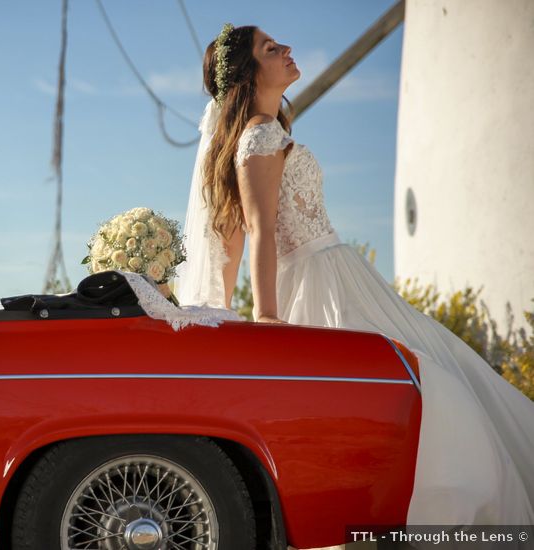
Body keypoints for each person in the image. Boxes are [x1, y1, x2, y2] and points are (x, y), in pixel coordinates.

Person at [175, 22, 534, 538]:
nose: (287, 49)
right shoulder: (257, 135)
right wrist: (265, 317)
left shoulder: (266, 131)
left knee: (441, 379)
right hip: (322, 284)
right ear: (250, 75)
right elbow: (255, 230)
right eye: (270, 49)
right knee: (433, 390)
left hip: (342, 271)